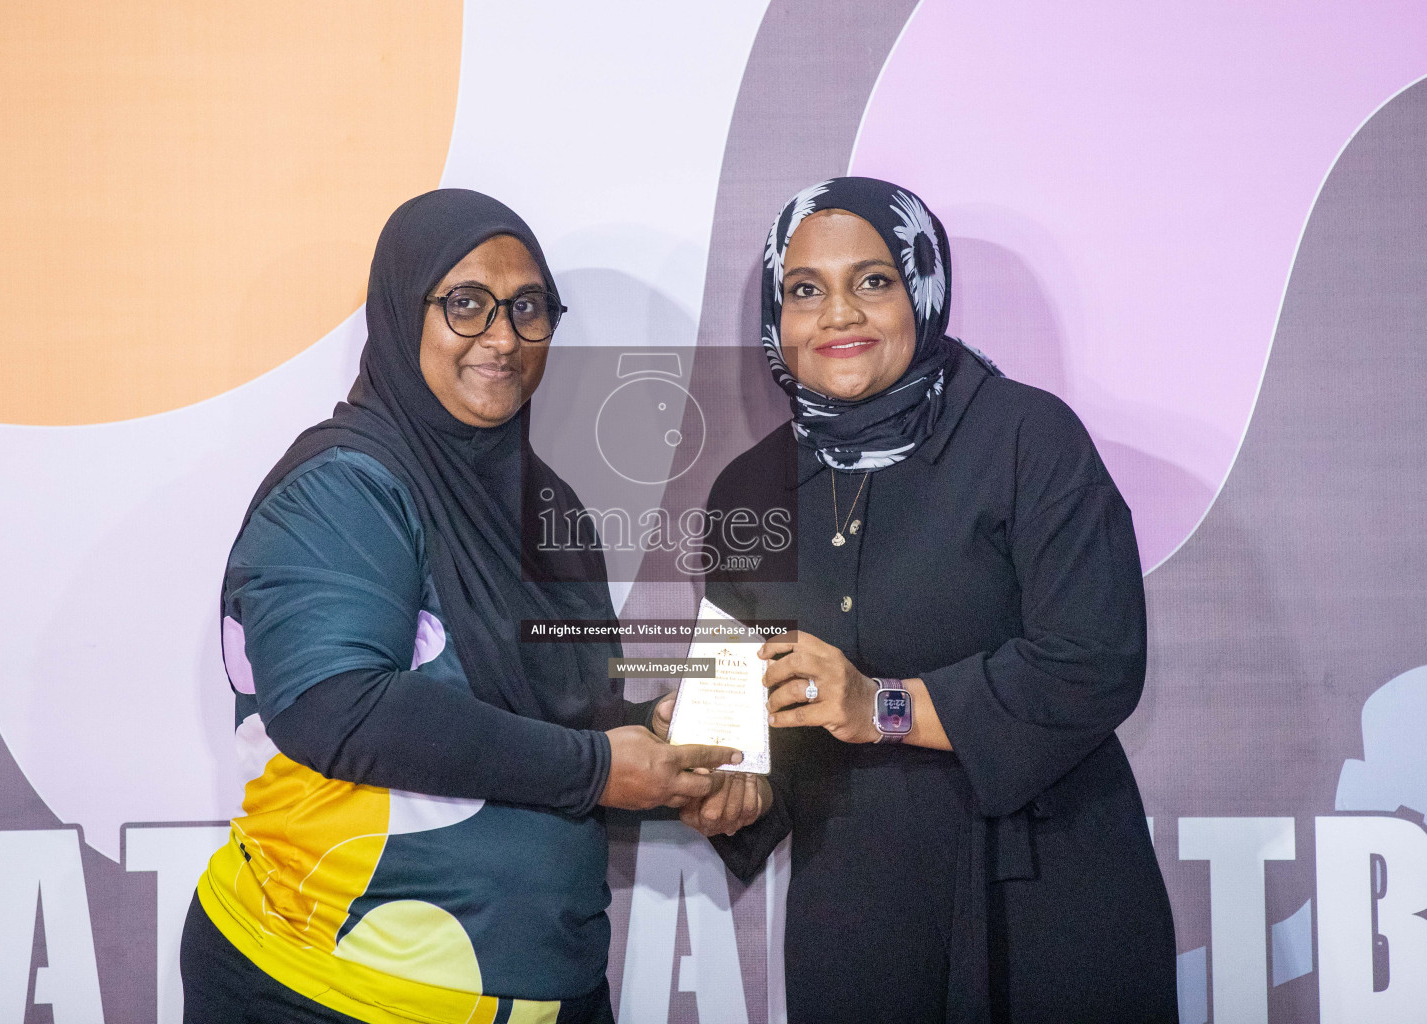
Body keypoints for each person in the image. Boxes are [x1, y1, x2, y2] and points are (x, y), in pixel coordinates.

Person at [180, 189, 740, 1024]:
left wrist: (663, 746)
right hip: (326, 988)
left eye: (527, 308)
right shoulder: (344, 485)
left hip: (542, 988)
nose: (503, 338)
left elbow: (546, 715)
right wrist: (597, 769)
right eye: (466, 304)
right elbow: (337, 707)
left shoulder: (548, 510)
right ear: (405, 313)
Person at [677, 177, 1178, 1023]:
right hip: (859, 911)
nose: (838, 314)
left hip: (1048, 890)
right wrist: (738, 788)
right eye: (805, 290)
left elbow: (1094, 662)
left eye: (872, 280)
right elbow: (750, 715)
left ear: (923, 289)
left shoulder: (1027, 437)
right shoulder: (747, 489)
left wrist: (884, 706)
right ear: (777, 316)